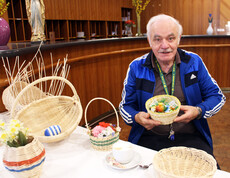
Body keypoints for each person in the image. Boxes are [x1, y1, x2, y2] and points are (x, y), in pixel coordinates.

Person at [119, 14, 226, 164]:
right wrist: (137, 118)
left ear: (179, 39)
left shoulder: (194, 62)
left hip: (190, 136)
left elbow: (217, 96)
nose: (164, 45)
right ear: (149, 41)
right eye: (157, 39)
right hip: (149, 137)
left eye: (170, 38)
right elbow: (125, 106)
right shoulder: (136, 67)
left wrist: (198, 111)